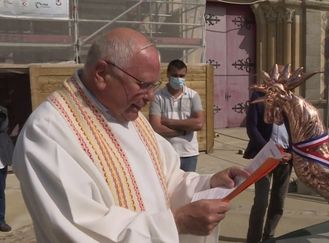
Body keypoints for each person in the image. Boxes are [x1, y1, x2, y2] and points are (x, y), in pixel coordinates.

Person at [12, 28, 249, 243]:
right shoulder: (49, 132)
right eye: (143, 84)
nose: (151, 97)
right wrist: (175, 224)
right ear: (102, 74)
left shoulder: (130, 116)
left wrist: (208, 183)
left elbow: (166, 181)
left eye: (154, 85)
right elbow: (78, 229)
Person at [244, 90, 293, 242]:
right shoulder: (258, 98)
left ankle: (269, 235)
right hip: (265, 155)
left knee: (279, 199)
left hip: (286, 157)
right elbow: (252, 128)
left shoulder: (292, 100)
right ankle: (253, 238)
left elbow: (299, 131)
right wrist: (268, 151)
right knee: (261, 201)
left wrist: (291, 153)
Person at [149, 59, 203, 172]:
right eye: (175, 75)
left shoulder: (193, 96)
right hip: (166, 152)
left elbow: (198, 123)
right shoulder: (157, 97)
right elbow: (155, 127)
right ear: (168, 74)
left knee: (188, 186)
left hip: (189, 153)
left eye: (181, 76)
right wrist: (183, 131)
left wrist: (169, 122)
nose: (178, 79)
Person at [0, 106, 14, 232]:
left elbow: (3, 126)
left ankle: (0, 220)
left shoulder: (2, 113)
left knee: (0, 193)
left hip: (1, 162)